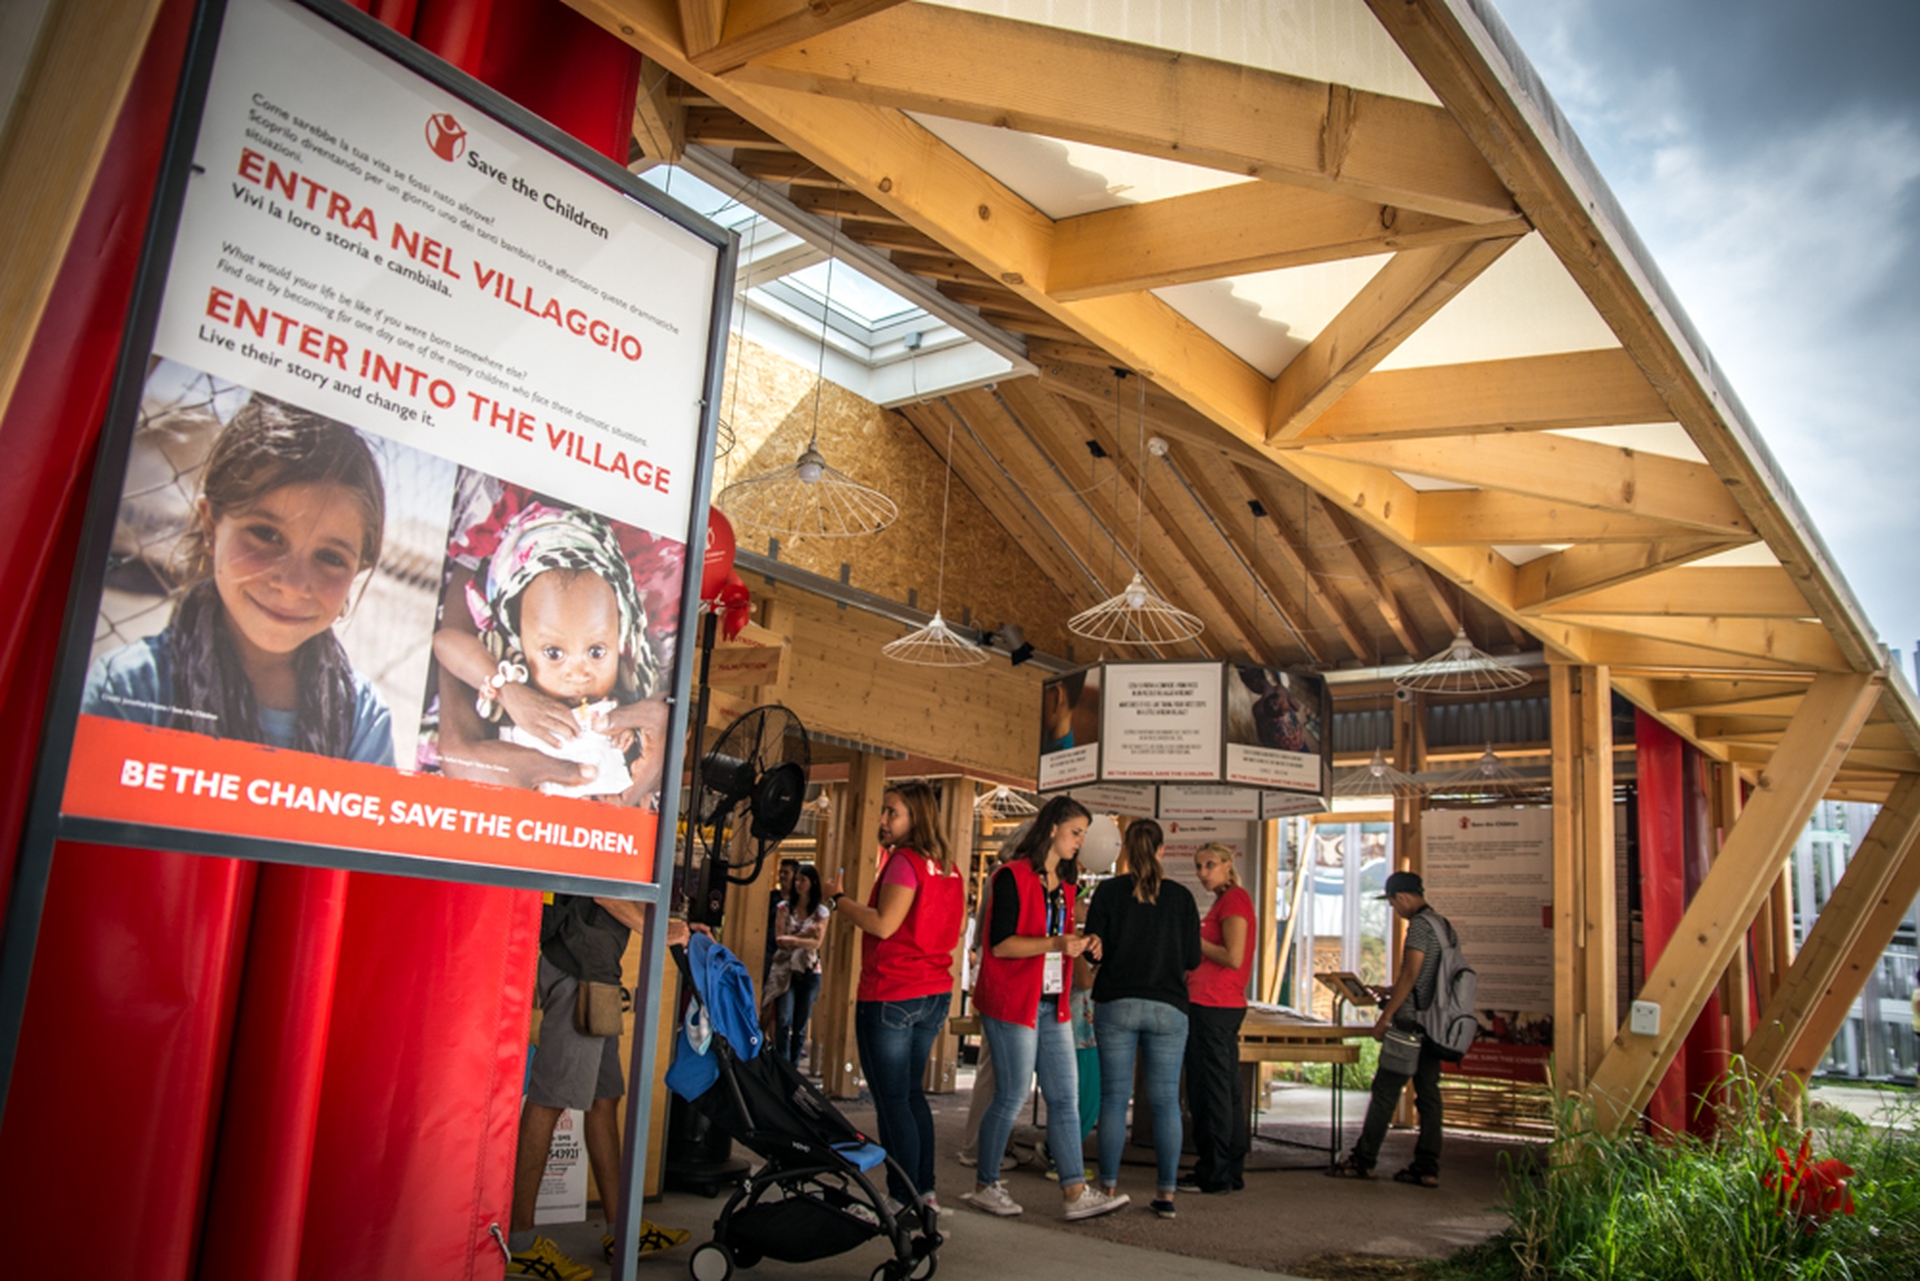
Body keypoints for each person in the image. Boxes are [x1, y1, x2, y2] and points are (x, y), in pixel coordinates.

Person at [82, 395, 394, 763]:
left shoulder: (363, 719)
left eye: (330, 557)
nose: (292, 585)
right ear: (210, 526)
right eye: (266, 534)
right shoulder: (131, 688)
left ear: (357, 571)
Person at [508, 898, 694, 1279]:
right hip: (578, 969)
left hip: (600, 972)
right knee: (548, 1100)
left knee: (604, 1098)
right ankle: (518, 1244)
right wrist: (660, 931)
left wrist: (674, 925)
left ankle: (622, 1230)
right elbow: (604, 893)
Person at [965, 796, 1127, 1222]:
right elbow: (1001, 945)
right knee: (1011, 1095)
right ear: (1052, 828)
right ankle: (985, 1183)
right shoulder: (1010, 876)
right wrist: (1057, 943)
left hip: (1053, 1003)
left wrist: (1084, 943)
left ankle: (1074, 1190)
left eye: (1083, 835)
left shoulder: (1067, 884)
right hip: (1012, 1002)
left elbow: (1057, 937)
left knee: (1064, 1097)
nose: (1080, 841)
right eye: (1076, 832)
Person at [433, 502, 663, 800]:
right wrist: (507, 690)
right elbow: (445, 642)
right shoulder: (514, 671)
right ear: (518, 638)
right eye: (554, 653)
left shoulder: (618, 697)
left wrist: (622, 738)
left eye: (596, 651)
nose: (578, 673)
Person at [823, 781, 966, 1214]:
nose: (883, 821)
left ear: (915, 817)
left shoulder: (905, 862)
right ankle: (925, 1192)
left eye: (893, 813)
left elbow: (884, 924)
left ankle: (901, 1197)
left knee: (892, 1102)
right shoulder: (948, 868)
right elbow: (957, 928)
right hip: (934, 991)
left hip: (893, 992)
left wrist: (838, 900)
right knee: (911, 1095)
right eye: (884, 811)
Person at [1084, 819, 1200, 1219]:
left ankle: (1108, 1187)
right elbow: (1192, 959)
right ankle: (1166, 1194)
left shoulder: (1108, 892)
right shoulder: (1182, 897)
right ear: (1162, 850)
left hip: (1117, 1001)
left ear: (1126, 853)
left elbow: (1092, 950)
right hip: (1168, 1005)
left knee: (1114, 1099)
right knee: (1166, 1102)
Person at [1327, 870, 1451, 1187]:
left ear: (1403, 897)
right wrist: (1391, 991)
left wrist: (1385, 1018)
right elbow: (1427, 979)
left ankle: (1363, 1160)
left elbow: (1411, 975)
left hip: (1410, 1025)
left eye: (1394, 903)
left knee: (1385, 1091)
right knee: (1429, 1095)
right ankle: (1427, 1167)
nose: (1395, 909)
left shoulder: (1419, 926)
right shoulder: (1442, 925)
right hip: (1434, 1023)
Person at [1181, 841, 1255, 1196]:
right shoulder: (1226, 901)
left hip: (1214, 1004)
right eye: (1199, 866)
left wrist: (1191, 939)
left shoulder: (1235, 900)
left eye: (1209, 864)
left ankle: (1215, 1171)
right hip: (1214, 1003)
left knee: (1210, 1091)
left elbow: (1233, 956)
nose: (1202, 873)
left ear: (1228, 864)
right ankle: (1227, 1168)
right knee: (1223, 1088)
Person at [764, 864, 829, 1066]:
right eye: (797, 880)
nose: (798, 884)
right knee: (783, 1019)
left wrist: (793, 938)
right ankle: (783, 1064)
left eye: (803, 880)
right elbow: (780, 939)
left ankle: (793, 1066)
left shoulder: (821, 911)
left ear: (813, 883)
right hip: (786, 969)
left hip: (810, 970)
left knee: (801, 1023)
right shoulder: (784, 907)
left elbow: (817, 943)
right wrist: (807, 934)